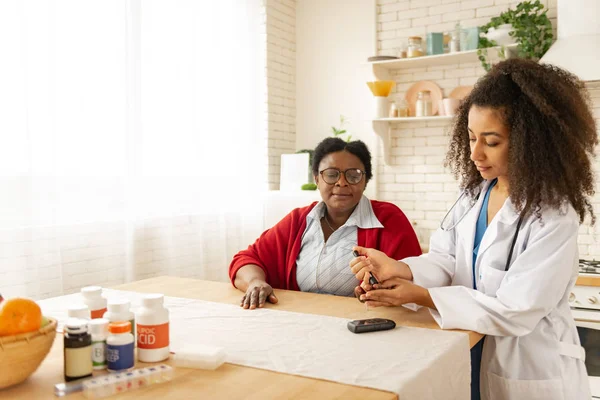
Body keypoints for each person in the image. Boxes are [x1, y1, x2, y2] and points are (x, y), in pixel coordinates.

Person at [350, 58, 597, 400]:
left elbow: (517, 310)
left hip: (528, 371)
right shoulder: (473, 195)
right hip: (468, 353)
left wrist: (421, 296)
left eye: (491, 142)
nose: (476, 153)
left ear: (531, 142)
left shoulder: (553, 215)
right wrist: (401, 269)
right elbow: (446, 259)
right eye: (470, 138)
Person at [230, 137, 422, 309]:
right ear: (316, 179)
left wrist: (378, 290)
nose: (342, 182)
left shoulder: (388, 219)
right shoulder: (298, 220)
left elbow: (415, 281)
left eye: (353, 175)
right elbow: (246, 259)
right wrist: (255, 282)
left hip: (364, 326)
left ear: (365, 181)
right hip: (303, 321)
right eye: (331, 174)